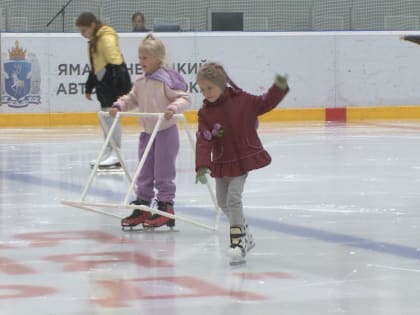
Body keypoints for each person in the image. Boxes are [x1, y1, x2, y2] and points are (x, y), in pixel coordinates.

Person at [194, 62, 289, 264]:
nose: (206, 93)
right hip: (221, 161)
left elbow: (264, 103)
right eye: (202, 89)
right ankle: (245, 232)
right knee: (222, 202)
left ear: (221, 84)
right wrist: (202, 164)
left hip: (241, 159)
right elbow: (203, 139)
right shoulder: (205, 113)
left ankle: (237, 242)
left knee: (233, 199)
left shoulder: (242, 100)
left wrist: (278, 88)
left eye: (210, 88)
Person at [110, 34, 191, 228]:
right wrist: (120, 105)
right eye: (139, 57)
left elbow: (184, 98)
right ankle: (143, 206)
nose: (141, 61)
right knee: (144, 172)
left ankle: (166, 207)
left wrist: (173, 109)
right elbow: (131, 99)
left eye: (145, 58)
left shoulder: (165, 80)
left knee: (163, 172)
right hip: (147, 134)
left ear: (158, 59)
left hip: (165, 133)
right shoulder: (140, 82)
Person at [76, 12, 132, 168]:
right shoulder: (95, 41)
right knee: (106, 119)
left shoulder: (106, 39)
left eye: (84, 31)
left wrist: (120, 90)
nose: (82, 34)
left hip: (114, 84)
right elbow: (97, 67)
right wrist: (89, 86)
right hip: (105, 84)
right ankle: (109, 151)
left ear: (93, 25)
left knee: (112, 119)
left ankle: (116, 154)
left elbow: (117, 64)